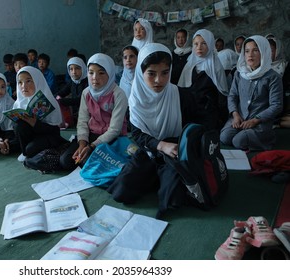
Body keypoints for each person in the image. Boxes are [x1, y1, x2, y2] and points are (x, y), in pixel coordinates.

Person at [107, 43, 189, 219]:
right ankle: (155, 176)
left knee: (173, 199)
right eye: (151, 73)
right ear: (141, 73)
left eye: (165, 73)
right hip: (149, 151)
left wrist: (175, 144)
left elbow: (196, 124)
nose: (159, 80)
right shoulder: (135, 101)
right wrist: (160, 145)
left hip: (173, 153)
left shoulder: (179, 95)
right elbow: (137, 134)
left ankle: (159, 177)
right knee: (121, 192)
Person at [59, 53, 128, 170]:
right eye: (91, 72)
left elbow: (115, 130)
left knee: (87, 162)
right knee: (66, 160)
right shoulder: (86, 93)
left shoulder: (118, 94)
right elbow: (82, 121)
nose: (95, 77)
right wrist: (82, 144)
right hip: (92, 135)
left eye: (101, 73)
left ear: (110, 73)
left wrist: (91, 147)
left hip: (112, 138)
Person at [220, 35, 283, 151]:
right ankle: (243, 133)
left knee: (238, 141)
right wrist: (235, 115)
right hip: (240, 118)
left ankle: (267, 138)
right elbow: (232, 95)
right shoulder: (239, 74)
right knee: (225, 137)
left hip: (260, 122)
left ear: (264, 52)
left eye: (255, 50)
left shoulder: (273, 77)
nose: (250, 54)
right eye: (247, 51)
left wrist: (255, 120)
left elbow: (276, 105)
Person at [178, 29, 229, 130]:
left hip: (208, 113)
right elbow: (182, 89)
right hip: (189, 111)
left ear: (210, 44)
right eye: (196, 44)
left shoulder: (215, 66)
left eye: (204, 43)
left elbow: (222, 93)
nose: (199, 47)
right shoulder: (189, 65)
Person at [13, 66, 65, 162]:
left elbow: (53, 129)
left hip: (48, 135)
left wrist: (34, 123)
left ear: (38, 81)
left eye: (28, 81)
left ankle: (27, 151)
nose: (23, 86)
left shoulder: (49, 101)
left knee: (30, 149)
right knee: (18, 125)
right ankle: (25, 152)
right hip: (32, 136)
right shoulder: (18, 103)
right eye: (20, 82)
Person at [55, 56, 88, 126]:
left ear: (83, 68)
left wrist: (62, 101)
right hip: (76, 113)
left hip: (87, 115)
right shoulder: (72, 82)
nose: (74, 72)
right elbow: (62, 92)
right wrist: (56, 97)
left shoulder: (87, 82)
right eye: (71, 69)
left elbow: (80, 100)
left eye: (77, 68)